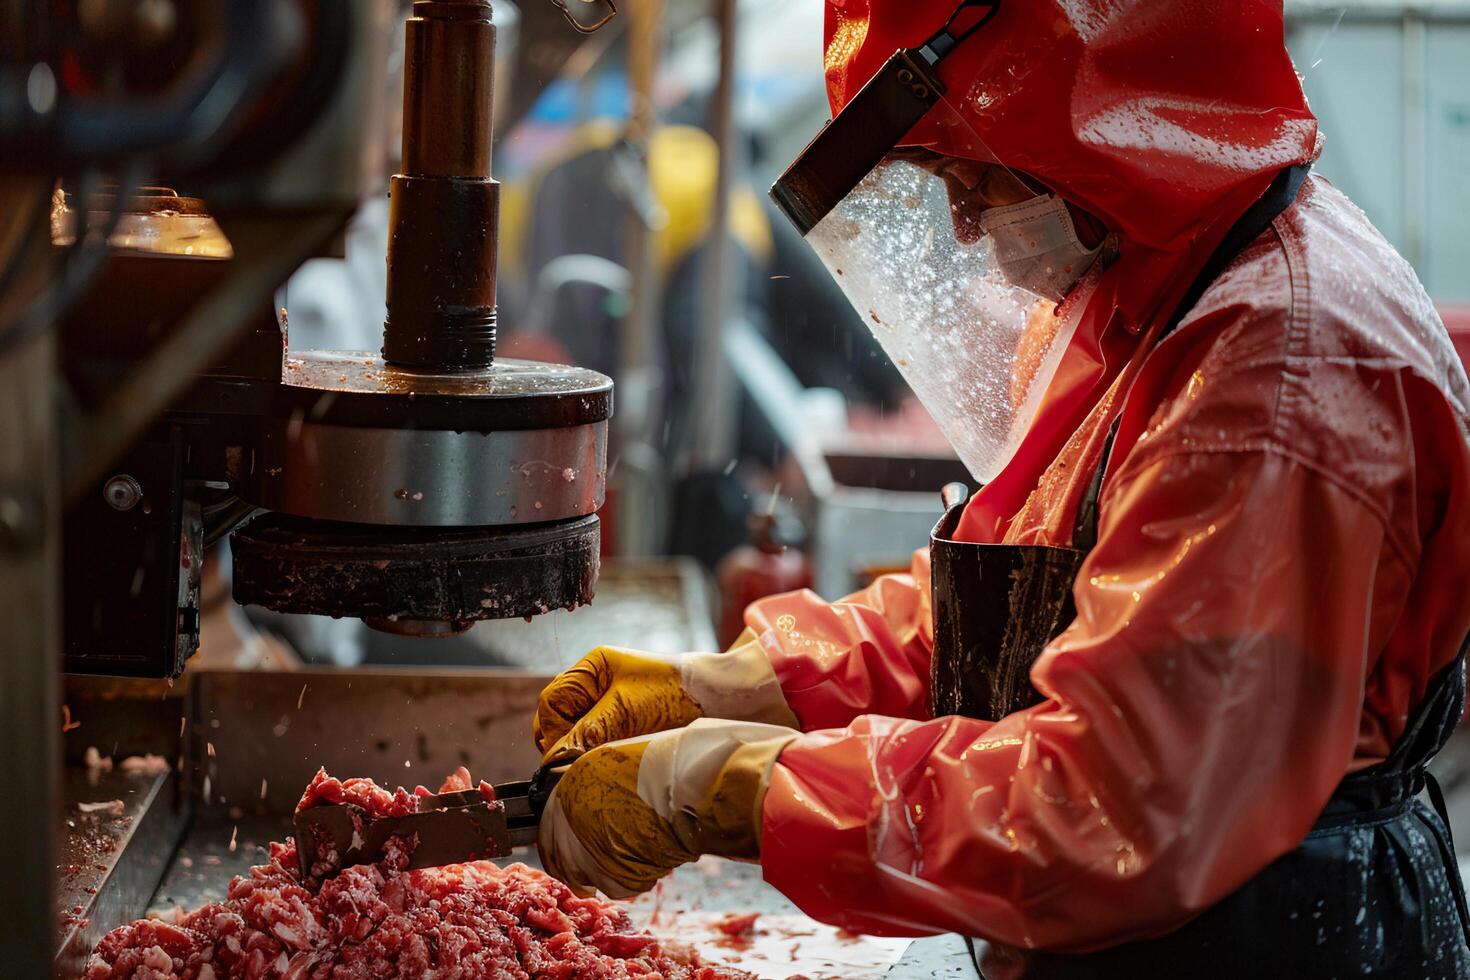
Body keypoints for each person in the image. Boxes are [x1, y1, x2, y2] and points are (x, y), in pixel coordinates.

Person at [532, 2, 1470, 976]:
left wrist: (739, 787)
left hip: (1271, 940)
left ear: (1079, 127)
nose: (968, 222)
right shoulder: (1144, 289)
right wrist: (758, 685)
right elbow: (1032, 606)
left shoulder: (1270, 372)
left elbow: (1108, 807)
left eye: (967, 172)